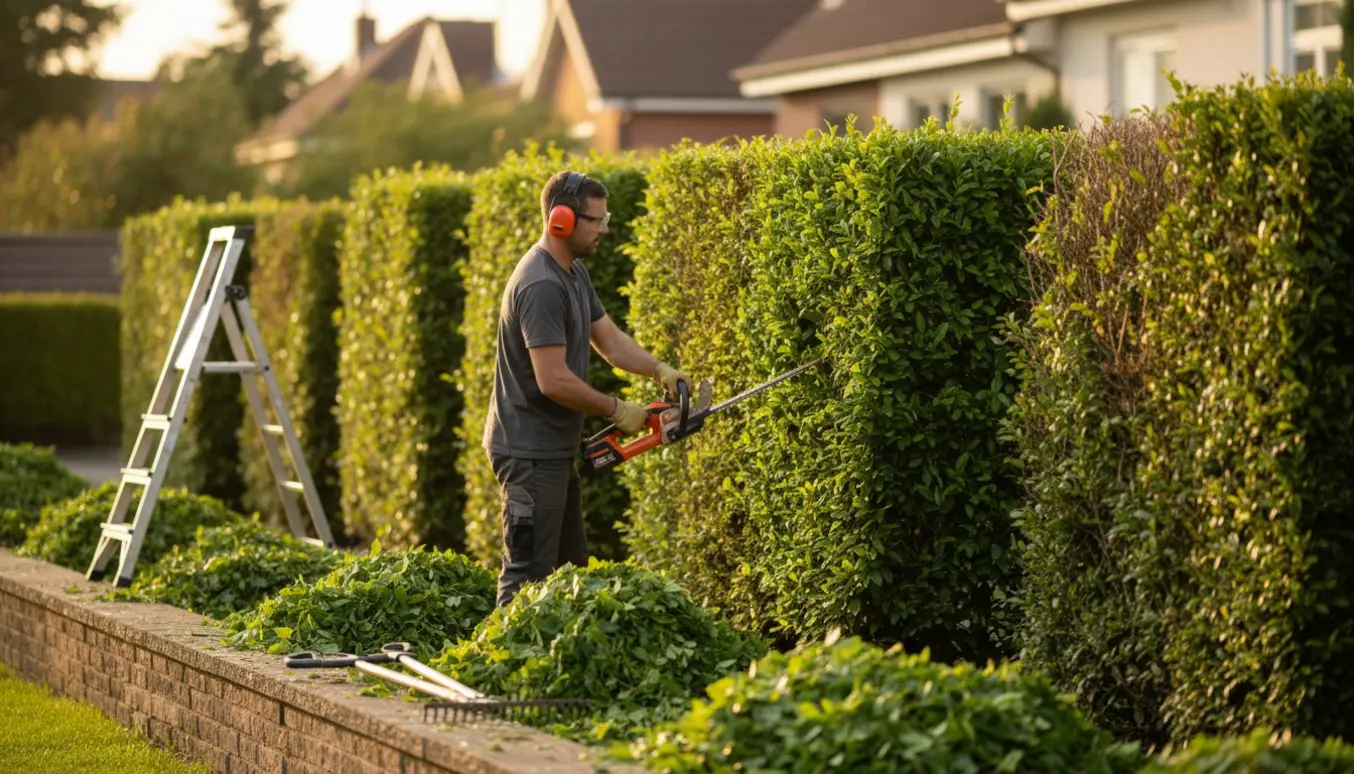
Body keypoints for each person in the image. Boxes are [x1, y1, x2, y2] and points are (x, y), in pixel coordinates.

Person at [482, 169, 693, 608]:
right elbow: (553, 379)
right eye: (595, 220)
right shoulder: (540, 285)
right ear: (560, 220)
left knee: (567, 572)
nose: (605, 228)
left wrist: (659, 370)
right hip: (529, 452)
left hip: (553, 449)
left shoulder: (572, 274)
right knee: (527, 577)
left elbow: (611, 342)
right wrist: (617, 410)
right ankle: (497, 670)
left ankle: (545, 672)